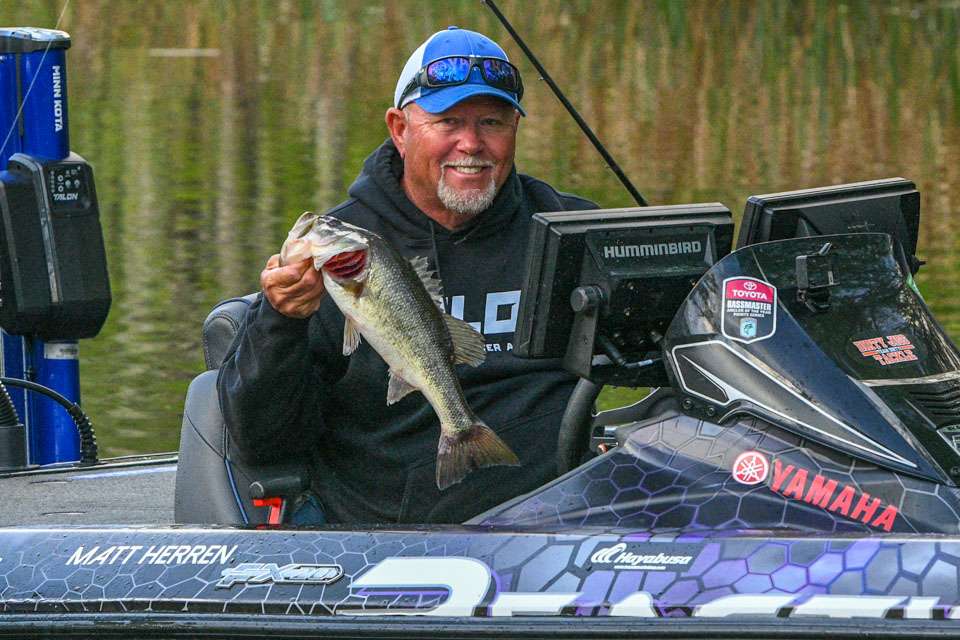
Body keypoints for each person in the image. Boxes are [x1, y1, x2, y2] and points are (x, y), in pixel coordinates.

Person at [218, 26, 597, 524]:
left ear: (515, 128)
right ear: (399, 129)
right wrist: (280, 321)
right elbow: (262, 441)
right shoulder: (341, 255)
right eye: (448, 122)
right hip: (392, 530)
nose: (471, 143)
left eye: (492, 122)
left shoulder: (571, 229)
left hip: (565, 515)